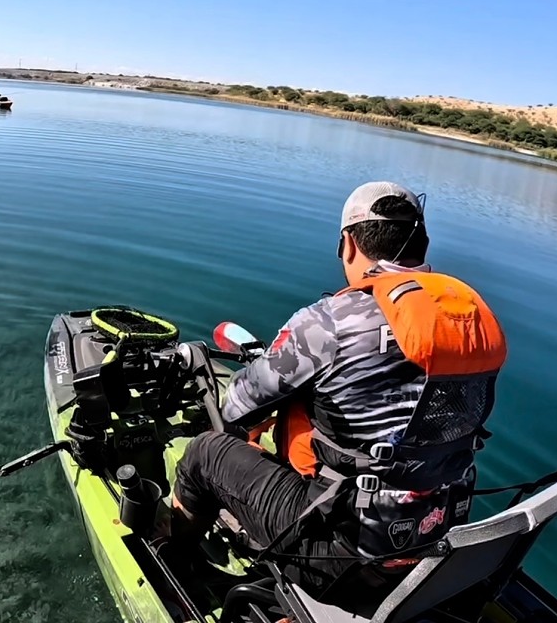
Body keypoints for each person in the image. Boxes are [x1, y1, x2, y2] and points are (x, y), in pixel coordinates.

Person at [168, 181, 508, 603]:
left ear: (348, 244)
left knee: (205, 452)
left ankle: (172, 561)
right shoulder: (470, 319)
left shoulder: (327, 324)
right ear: (423, 244)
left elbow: (237, 404)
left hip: (345, 560)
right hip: (437, 536)